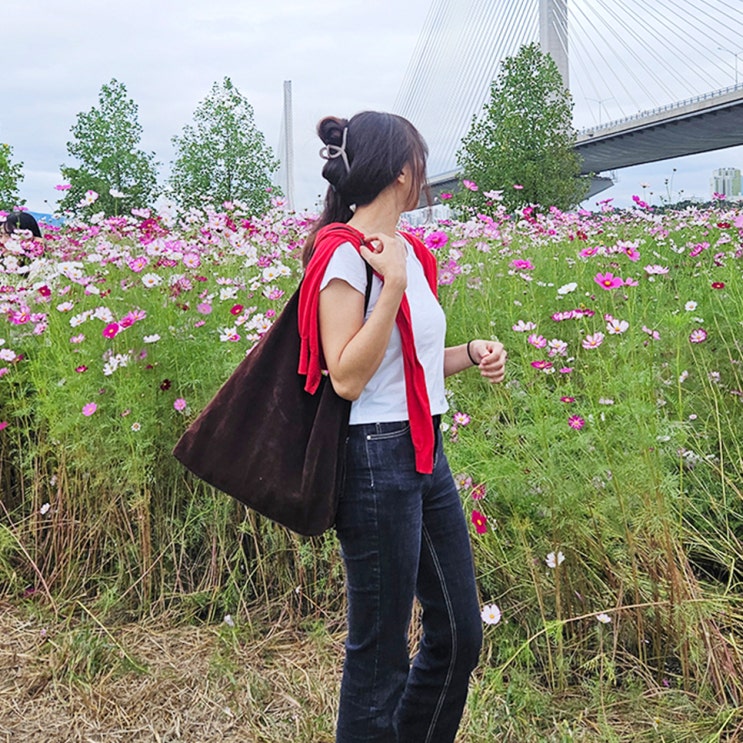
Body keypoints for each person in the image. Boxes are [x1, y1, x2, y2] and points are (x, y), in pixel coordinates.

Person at [298, 111, 507, 742]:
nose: (426, 174)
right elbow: (347, 375)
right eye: (420, 161)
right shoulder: (342, 254)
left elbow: (408, 363)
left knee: (459, 632)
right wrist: (390, 286)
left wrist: (469, 352)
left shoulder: (411, 251)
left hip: (423, 450)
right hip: (373, 459)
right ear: (398, 171)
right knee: (380, 654)